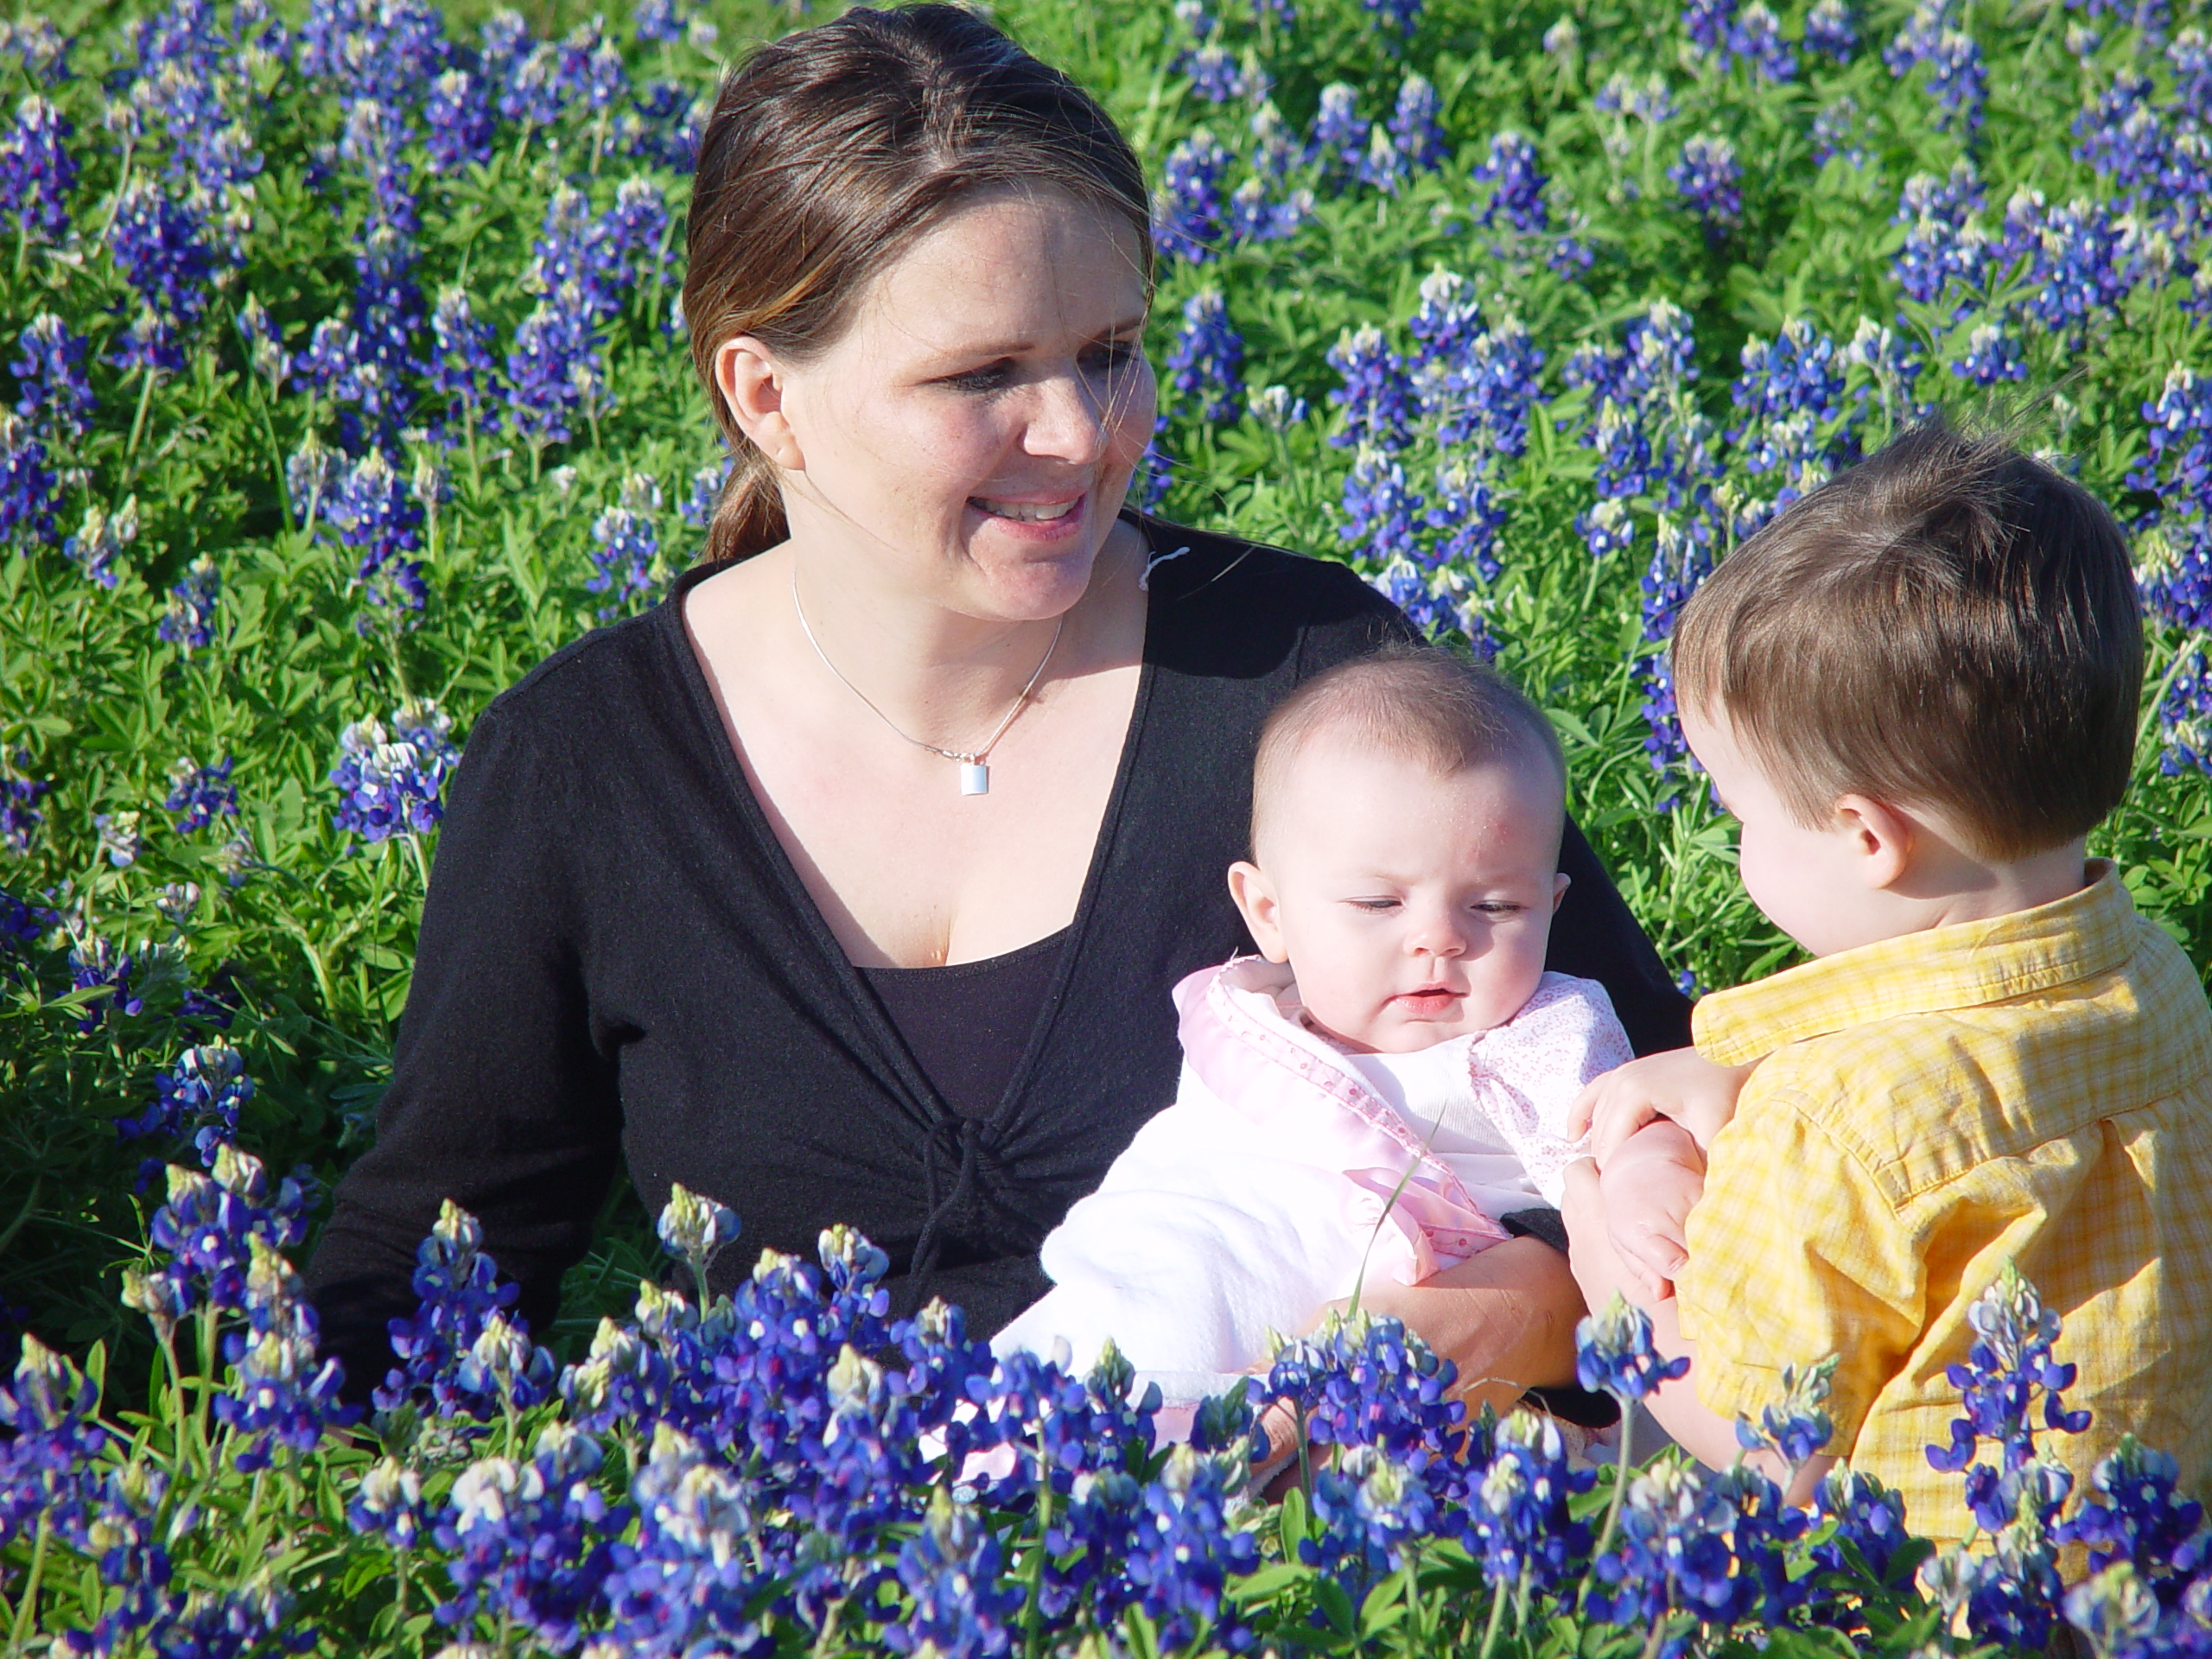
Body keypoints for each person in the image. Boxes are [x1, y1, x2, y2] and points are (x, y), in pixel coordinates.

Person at [304, 3, 1694, 1408]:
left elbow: (1676, 1109)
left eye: (1109, 350)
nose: (1084, 435)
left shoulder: (1310, 672)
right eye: (983, 376)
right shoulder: (586, 768)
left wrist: (1529, 1309)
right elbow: (434, 1266)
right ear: (765, 396)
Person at [1560, 423, 2212, 1542]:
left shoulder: (1830, 1126)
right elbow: (1981, 1082)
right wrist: (1748, 1082)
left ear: (1867, 837)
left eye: (1738, 812)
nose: (1732, 843)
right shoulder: (2157, 976)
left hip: (1919, 1607)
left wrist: (1601, 1256)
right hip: (2158, 1570)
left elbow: (1771, 1460)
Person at [994, 649, 1632, 1420]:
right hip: (1181, 1265)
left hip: (1407, 1360)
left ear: (1555, 906)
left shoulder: (1546, 1037)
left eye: (1495, 908)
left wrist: (1650, 1164)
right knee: (1112, 1330)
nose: (1439, 939)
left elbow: (1620, 1181)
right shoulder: (1244, 1017)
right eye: (1375, 903)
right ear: (1268, 913)